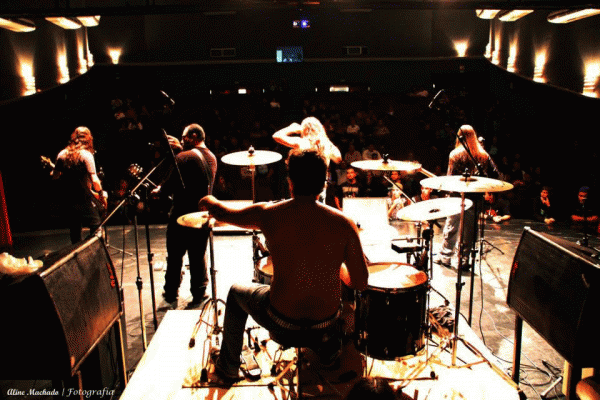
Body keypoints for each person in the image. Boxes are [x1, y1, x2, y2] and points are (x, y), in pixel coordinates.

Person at [198, 149, 369, 385]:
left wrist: (208, 200)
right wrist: (336, 264)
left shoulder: (268, 214)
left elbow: (223, 213)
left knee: (237, 292)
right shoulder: (345, 224)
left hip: (281, 324)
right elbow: (360, 282)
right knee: (345, 306)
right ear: (323, 183)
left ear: (290, 182)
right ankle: (328, 351)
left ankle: (227, 369)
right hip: (325, 325)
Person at [152, 123, 217, 306]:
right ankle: (199, 292)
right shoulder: (211, 157)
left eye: (183, 137)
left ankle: (171, 291)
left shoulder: (183, 157)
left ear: (193, 137)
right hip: (202, 214)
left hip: (181, 214)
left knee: (175, 254)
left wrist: (158, 191)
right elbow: (195, 171)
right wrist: (181, 151)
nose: (180, 141)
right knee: (198, 255)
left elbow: (169, 185)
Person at [435, 125, 498, 270]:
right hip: (475, 197)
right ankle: (463, 260)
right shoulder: (483, 154)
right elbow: (495, 173)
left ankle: (445, 256)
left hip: (457, 196)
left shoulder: (455, 154)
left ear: (460, 136)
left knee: (451, 227)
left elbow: (450, 177)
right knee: (469, 231)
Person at [49, 126, 107, 244]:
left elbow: (55, 176)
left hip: (69, 200)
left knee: (75, 232)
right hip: (85, 199)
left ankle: (77, 253)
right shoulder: (86, 155)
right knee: (97, 229)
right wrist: (101, 194)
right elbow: (95, 180)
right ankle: (98, 252)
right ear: (88, 139)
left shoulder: (62, 154)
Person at [273, 116, 342, 205]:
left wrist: (292, 128)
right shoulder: (326, 144)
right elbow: (338, 158)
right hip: (319, 187)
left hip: (301, 186)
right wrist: (324, 137)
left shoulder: (301, 142)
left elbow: (276, 136)